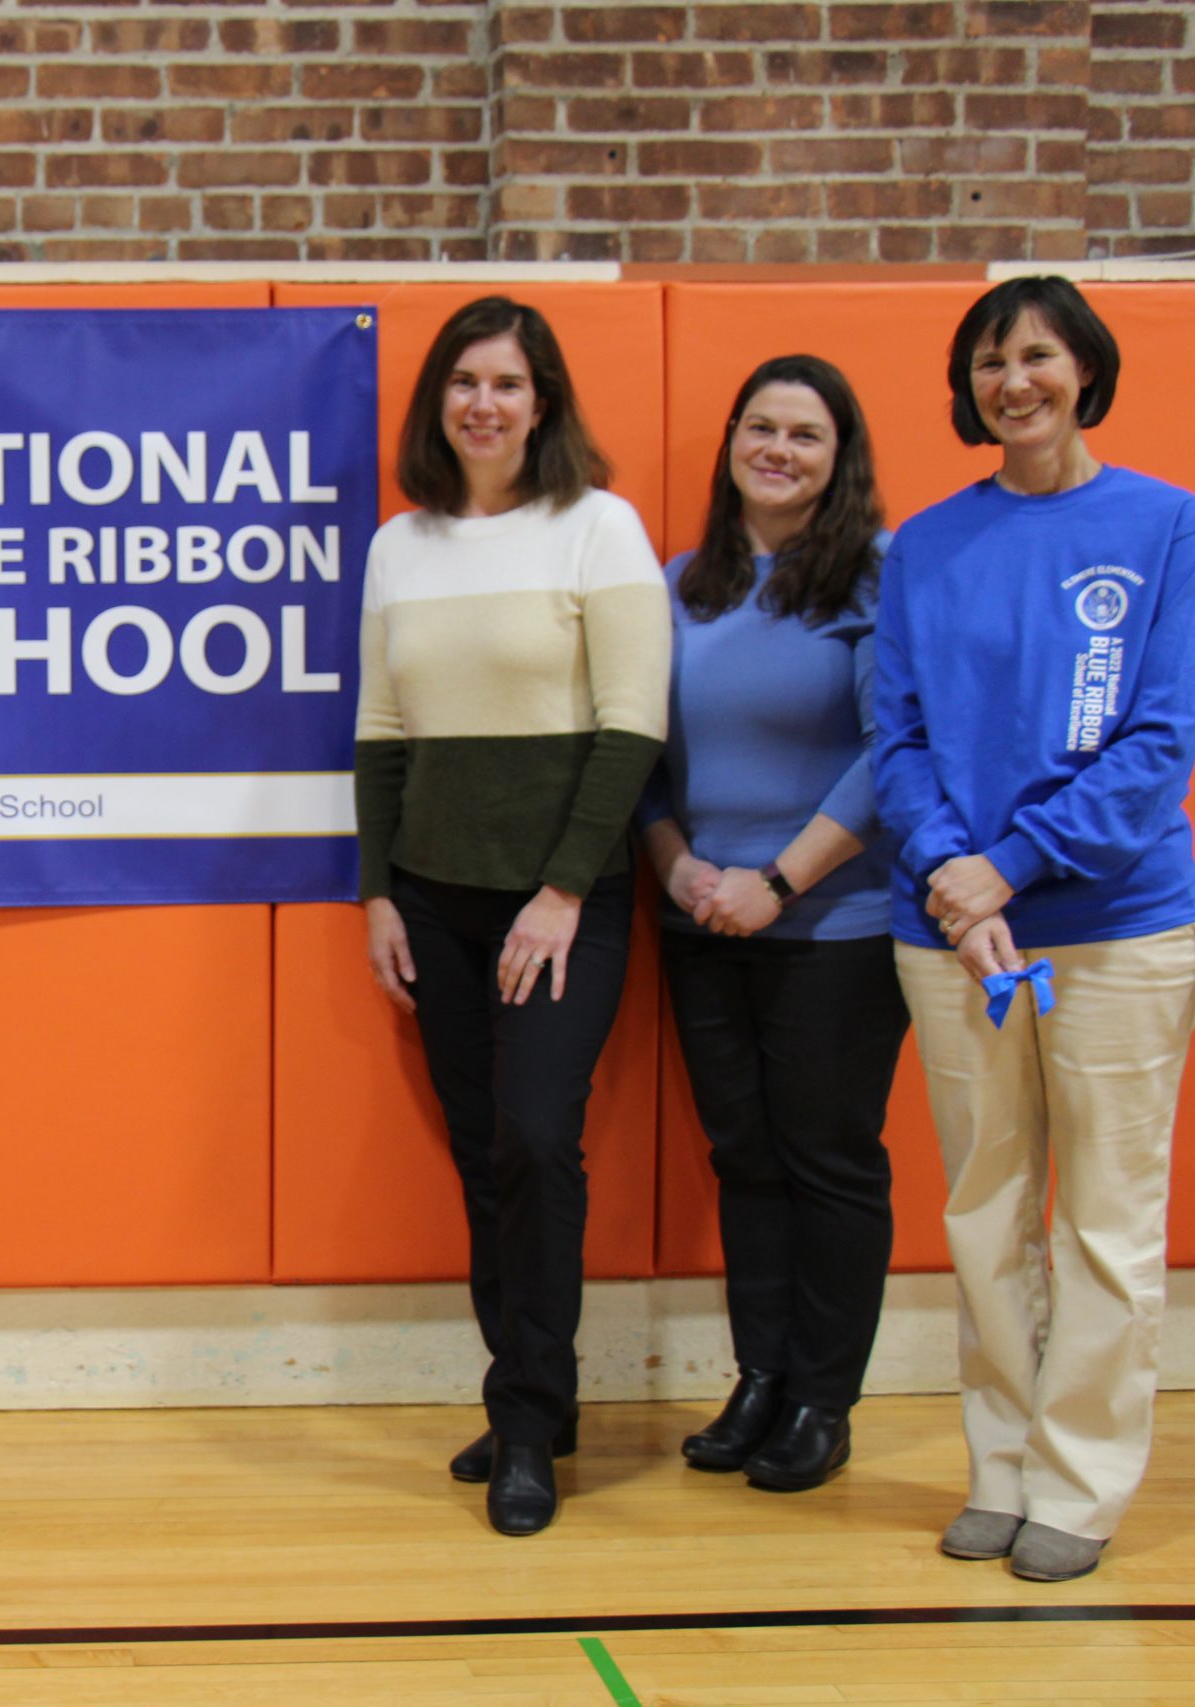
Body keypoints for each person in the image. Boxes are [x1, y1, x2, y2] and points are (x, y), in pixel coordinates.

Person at [876, 276, 1195, 1583]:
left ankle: (1080, 1482)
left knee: (1107, 1221)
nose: (1010, 380)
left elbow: (1158, 742)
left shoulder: (1166, 525)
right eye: (986, 361)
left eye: (1035, 354)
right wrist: (955, 875)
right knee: (987, 1210)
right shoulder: (924, 545)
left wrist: (1008, 864)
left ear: (1086, 368)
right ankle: (1003, 1460)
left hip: (1116, 930)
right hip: (957, 936)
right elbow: (897, 738)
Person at [355, 296, 669, 1537]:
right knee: (488, 1155)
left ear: (544, 404)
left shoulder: (600, 528)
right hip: (433, 898)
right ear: (440, 402)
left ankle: (531, 1422)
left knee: (539, 1142)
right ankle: (528, 1393)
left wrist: (560, 889)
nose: (484, 403)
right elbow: (382, 735)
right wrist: (378, 889)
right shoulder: (400, 544)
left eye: (509, 383)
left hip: (564, 901)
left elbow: (632, 723)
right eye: (463, 383)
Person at [637, 355, 909, 1494]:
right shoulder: (676, 581)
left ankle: (820, 1399)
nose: (779, 451)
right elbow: (639, 761)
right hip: (701, 921)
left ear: (839, 459)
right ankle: (758, 1378)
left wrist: (778, 884)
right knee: (743, 1159)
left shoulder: (879, 579)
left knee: (826, 1162)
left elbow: (889, 754)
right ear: (730, 443)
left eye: (807, 434)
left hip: (832, 926)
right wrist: (683, 868)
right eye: (761, 427)